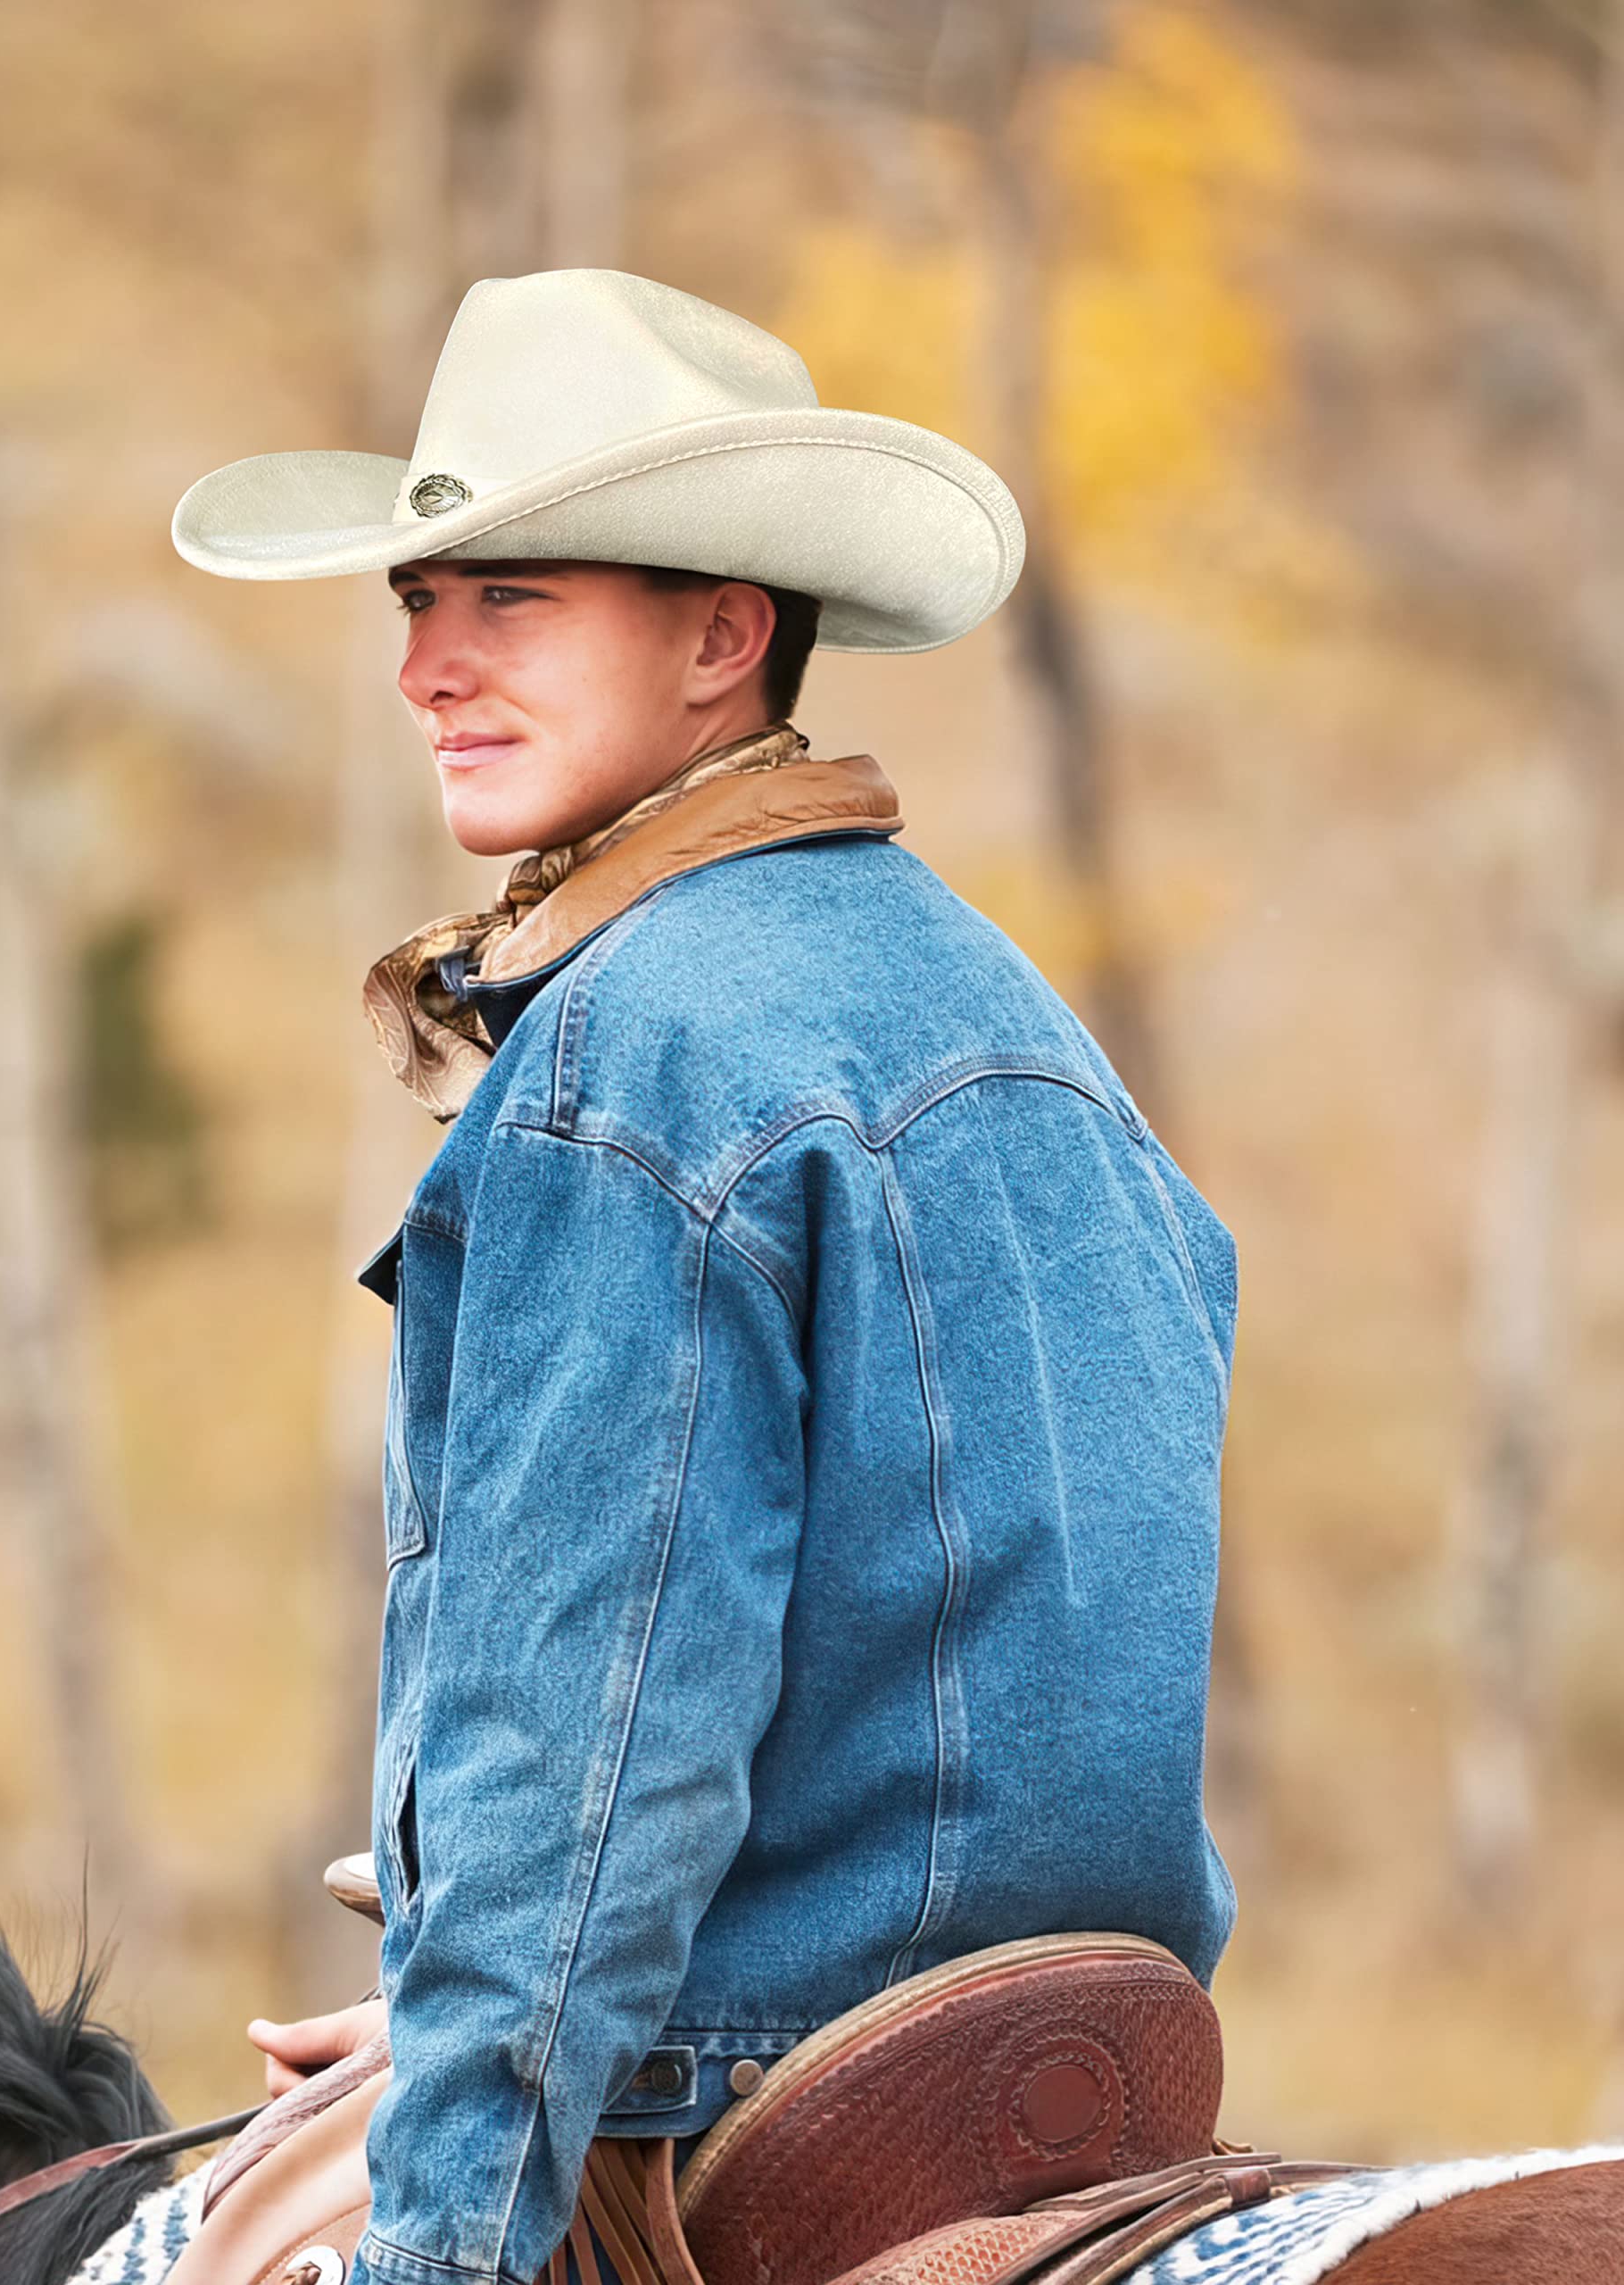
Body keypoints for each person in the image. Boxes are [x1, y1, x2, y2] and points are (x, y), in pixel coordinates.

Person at [171, 270, 1238, 2285]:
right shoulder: (1010, 1012)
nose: (427, 667)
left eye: (512, 600)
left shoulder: (626, 1058)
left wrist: (454, 2214)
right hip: (1079, 2073)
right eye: (416, 601)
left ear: (720, 636)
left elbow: (584, 1756)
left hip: (770, 2099)